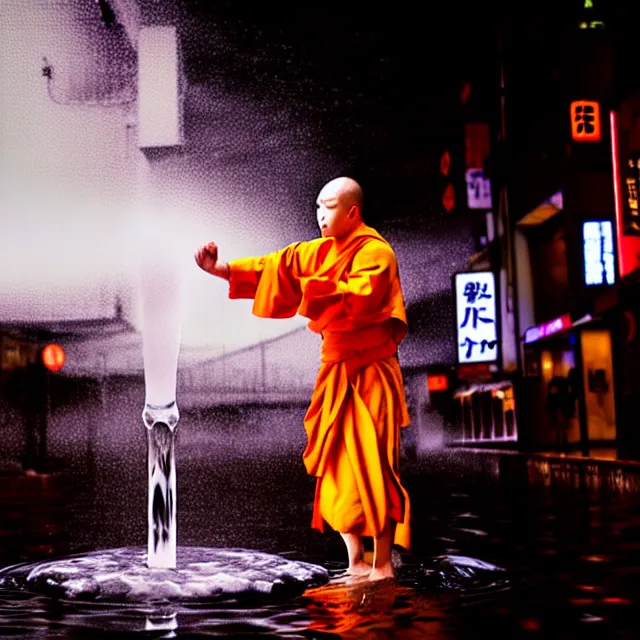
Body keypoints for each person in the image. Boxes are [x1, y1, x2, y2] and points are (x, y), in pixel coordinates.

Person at [194, 176, 411, 581]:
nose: (320, 216)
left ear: (352, 212)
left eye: (328, 207)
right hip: (336, 372)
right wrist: (220, 269)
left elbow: (358, 298)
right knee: (336, 466)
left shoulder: (376, 252)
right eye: (317, 207)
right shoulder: (319, 252)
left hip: (372, 374)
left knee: (376, 465)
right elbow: (275, 268)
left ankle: (382, 563)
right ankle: (355, 561)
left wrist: (303, 288)